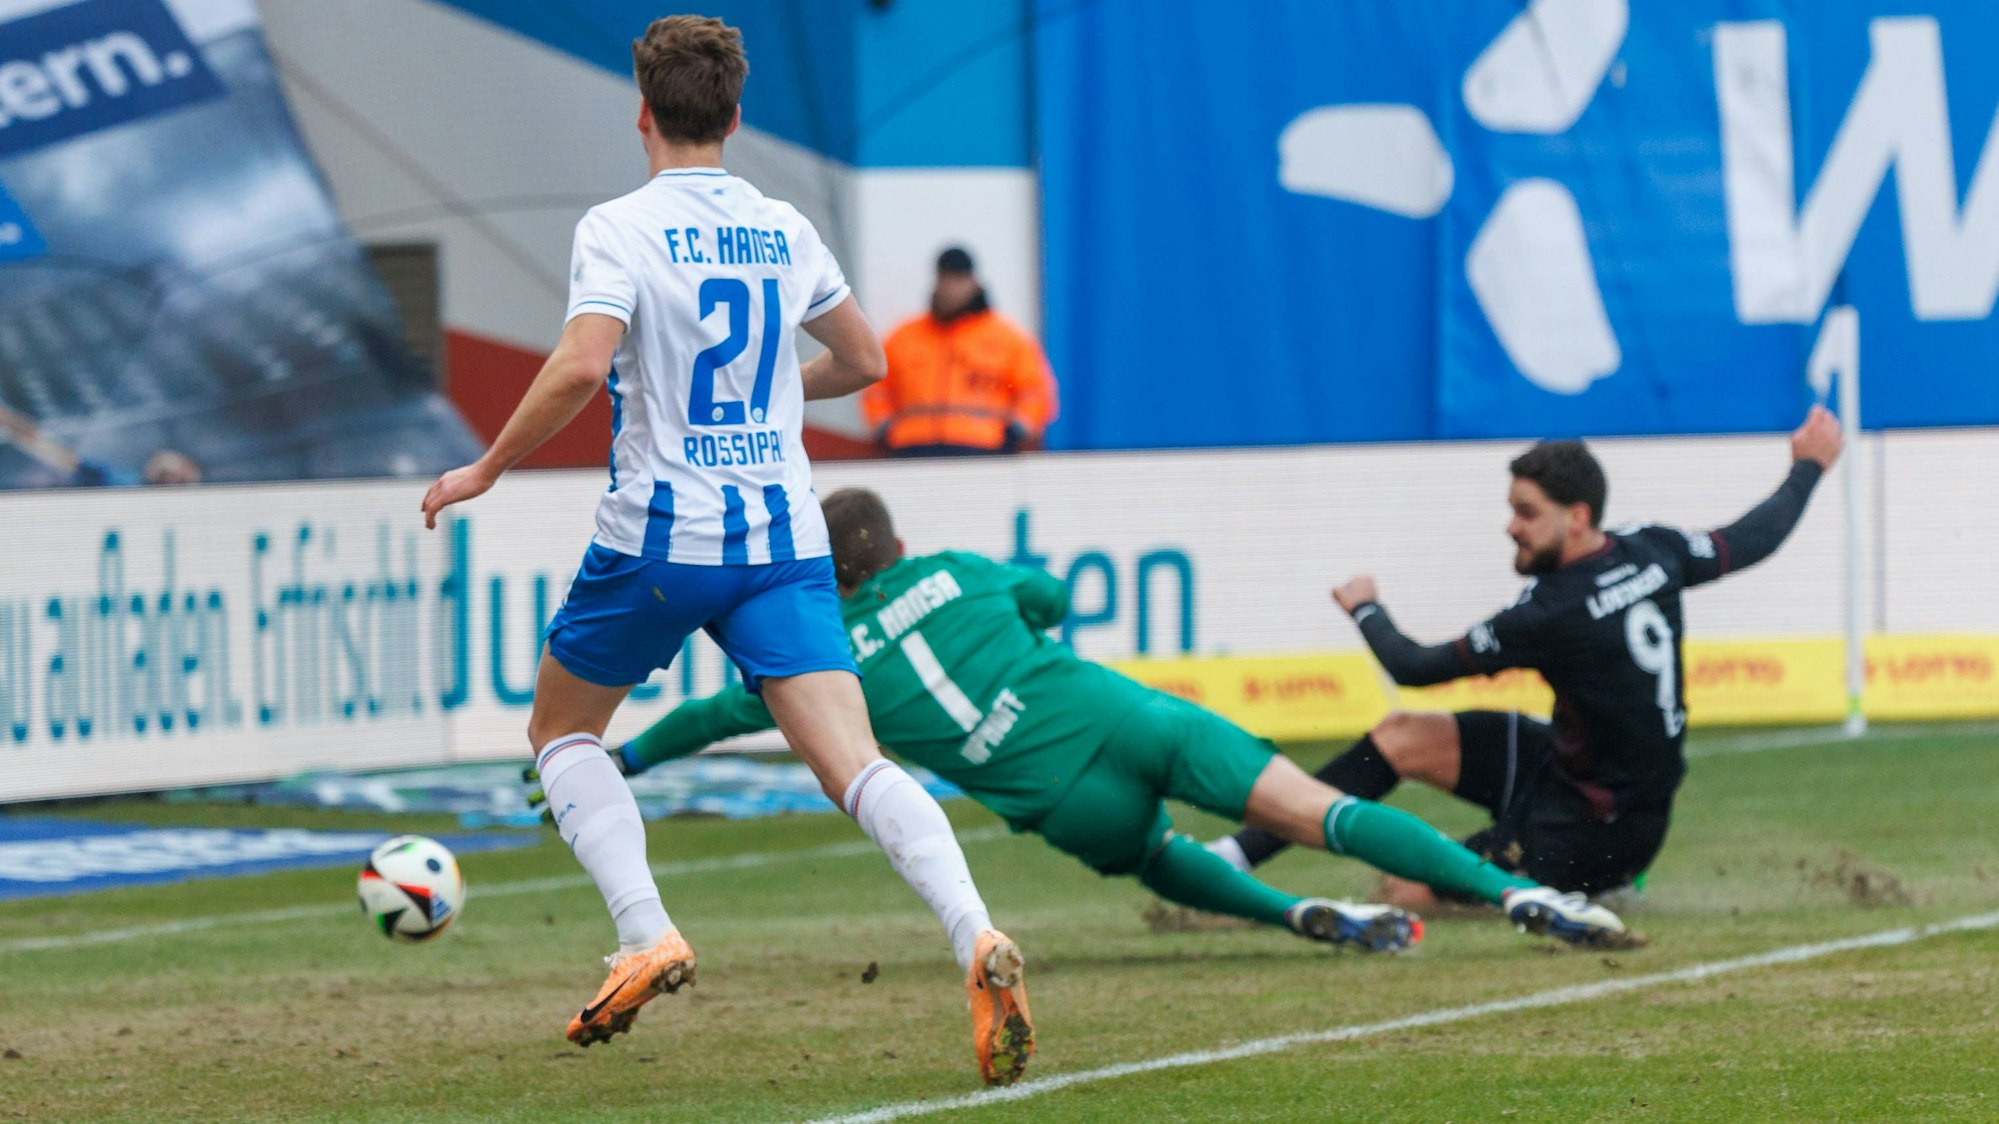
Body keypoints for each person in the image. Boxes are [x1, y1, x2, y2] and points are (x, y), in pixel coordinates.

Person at [419, 18, 1032, 1086]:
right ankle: (974, 928)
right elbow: (865, 358)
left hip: (663, 534)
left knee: (561, 729)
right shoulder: (781, 225)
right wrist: (771, 396)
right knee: (856, 764)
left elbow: (578, 365)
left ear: (642, 111)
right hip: (783, 537)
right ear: (736, 115)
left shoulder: (621, 225)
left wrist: (484, 469)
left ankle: (646, 927)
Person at [549, 488, 1633, 953]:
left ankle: (1288, 916)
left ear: (826, 576)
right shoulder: (960, 571)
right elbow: (1052, 600)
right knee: (1325, 808)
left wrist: (615, 751)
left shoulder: (820, 660)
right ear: (896, 545)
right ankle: (1521, 891)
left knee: (1154, 853)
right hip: (1118, 715)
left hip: (1056, 794)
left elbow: (707, 716)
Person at [1212, 408, 1845, 911]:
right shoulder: (1652, 550)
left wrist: (1365, 609)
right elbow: (1756, 537)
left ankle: (1597, 884)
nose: (1511, 527)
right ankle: (1232, 859)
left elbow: (1414, 666)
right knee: (1400, 737)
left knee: (1403, 894)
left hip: (1597, 832)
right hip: (1571, 775)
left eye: (1525, 513)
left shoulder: (1551, 614)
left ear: (1576, 518)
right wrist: (1808, 468)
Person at [860, 247, 1058, 456]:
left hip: (984, 450)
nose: (951, 287)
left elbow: (1036, 392)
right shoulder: (903, 337)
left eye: (958, 279)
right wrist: (884, 428)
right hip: (912, 449)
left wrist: (1015, 431)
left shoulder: (1007, 338)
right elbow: (876, 388)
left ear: (974, 283)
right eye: (945, 278)